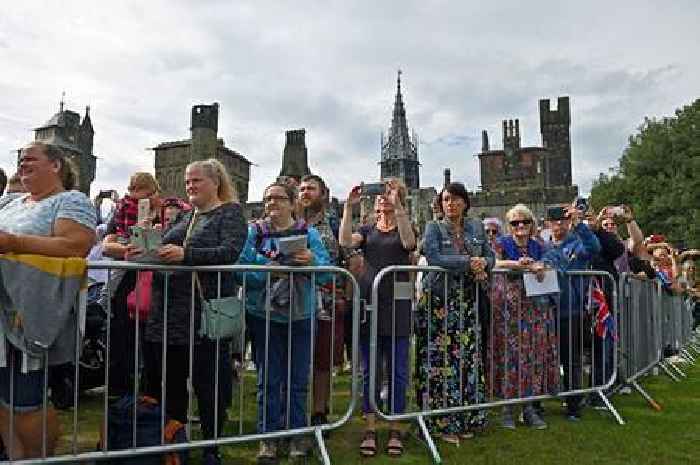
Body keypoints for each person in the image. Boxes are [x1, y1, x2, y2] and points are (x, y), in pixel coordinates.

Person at [139, 159, 247, 465]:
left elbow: (229, 252)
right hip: (170, 314)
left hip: (203, 315)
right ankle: (177, 446)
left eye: (196, 181)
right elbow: (163, 245)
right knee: (171, 384)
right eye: (187, 182)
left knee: (208, 385)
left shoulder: (231, 213)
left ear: (216, 182)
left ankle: (212, 447)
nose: (190, 186)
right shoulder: (187, 218)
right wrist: (142, 246)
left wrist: (187, 255)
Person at [0, 142, 96, 459]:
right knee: (2, 398)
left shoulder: (71, 200)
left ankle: (36, 459)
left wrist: (12, 242)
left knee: (25, 400)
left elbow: (75, 245)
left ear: (55, 166)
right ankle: (15, 458)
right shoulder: (11, 203)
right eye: (20, 158)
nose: (22, 163)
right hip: (2, 310)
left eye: (31, 158)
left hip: (31, 314)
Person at [237, 182, 330, 463]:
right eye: (267, 199)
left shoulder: (308, 233)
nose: (271, 203)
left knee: (298, 378)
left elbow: (327, 274)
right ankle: (268, 438)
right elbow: (238, 270)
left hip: (301, 314)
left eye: (278, 198)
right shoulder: (254, 232)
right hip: (264, 315)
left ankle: (297, 436)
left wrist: (312, 261)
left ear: (292, 204)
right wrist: (266, 270)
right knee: (269, 378)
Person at [339, 179, 416, 457]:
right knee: (369, 371)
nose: (383, 199)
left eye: (389, 194)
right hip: (369, 306)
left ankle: (396, 428)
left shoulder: (404, 225)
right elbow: (346, 242)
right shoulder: (367, 229)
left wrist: (398, 207)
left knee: (397, 371)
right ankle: (369, 427)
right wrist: (348, 207)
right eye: (380, 196)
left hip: (397, 307)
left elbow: (408, 243)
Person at [416, 182, 493, 444]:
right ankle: (441, 422)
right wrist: (469, 263)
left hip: (467, 303)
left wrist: (484, 262)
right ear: (441, 204)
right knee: (441, 363)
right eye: (447, 199)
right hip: (439, 303)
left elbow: (490, 256)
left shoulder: (476, 228)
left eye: (457, 199)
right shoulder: (433, 228)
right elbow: (435, 257)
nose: (452, 203)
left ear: (465, 202)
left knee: (466, 361)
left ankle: (465, 417)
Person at [490, 204, 558, 430]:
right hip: (508, 310)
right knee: (511, 358)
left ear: (532, 224)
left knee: (532, 358)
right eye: (515, 223)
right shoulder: (502, 243)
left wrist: (540, 266)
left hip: (535, 310)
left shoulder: (539, 244)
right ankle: (508, 409)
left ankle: (529, 409)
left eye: (525, 222)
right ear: (509, 226)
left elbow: (551, 262)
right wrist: (516, 265)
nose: (520, 226)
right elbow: (493, 262)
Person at [100, 172, 161, 397]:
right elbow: (108, 244)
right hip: (127, 277)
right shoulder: (123, 208)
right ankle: (119, 391)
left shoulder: (167, 208)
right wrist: (127, 249)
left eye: (140, 187)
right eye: (132, 187)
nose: (134, 192)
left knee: (150, 338)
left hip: (153, 279)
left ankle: (150, 395)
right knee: (121, 333)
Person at [543, 204, 601, 421]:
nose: (559, 224)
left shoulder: (578, 243)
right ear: (548, 223)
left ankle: (573, 405)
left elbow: (594, 248)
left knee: (571, 360)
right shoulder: (543, 247)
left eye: (564, 220)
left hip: (572, 311)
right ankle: (541, 401)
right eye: (555, 221)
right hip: (546, 310)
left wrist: (580, 224)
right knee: (545, 358)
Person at [297, 175, 344, 427]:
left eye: (311, 188)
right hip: (293, 299)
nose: (305, 192)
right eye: (302, 189)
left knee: (322, 361)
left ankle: (318, 411)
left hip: (327, 300)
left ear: (323, 194)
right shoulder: (289, 222)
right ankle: (292, 412)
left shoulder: (335, 223)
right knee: (294, 358)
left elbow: (348, 254)